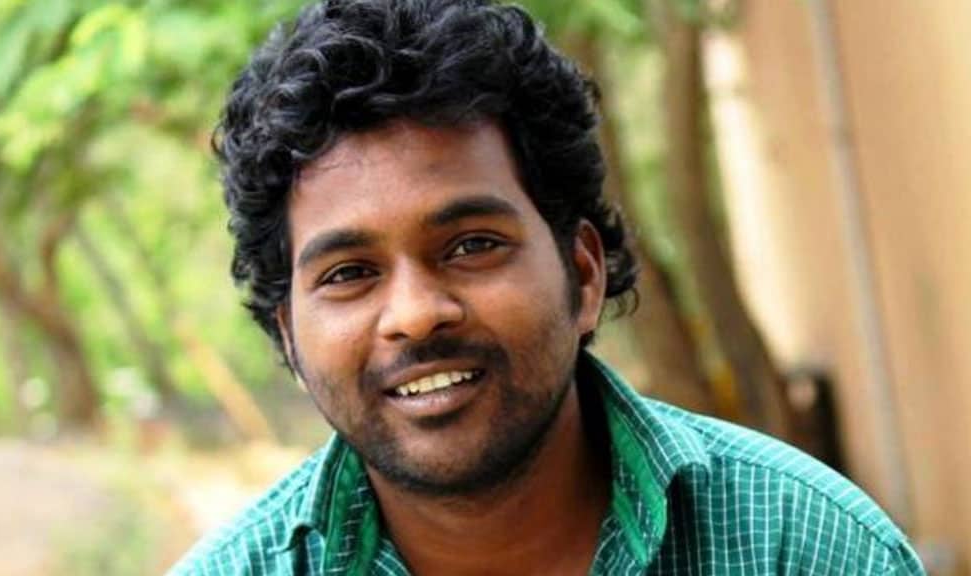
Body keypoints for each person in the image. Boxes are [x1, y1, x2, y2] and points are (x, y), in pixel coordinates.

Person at [171, 0, 925, 574]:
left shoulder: (803, 546)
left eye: (472, 246)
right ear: (290, 335)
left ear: (583, 273)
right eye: (349, 274)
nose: (416, 314)